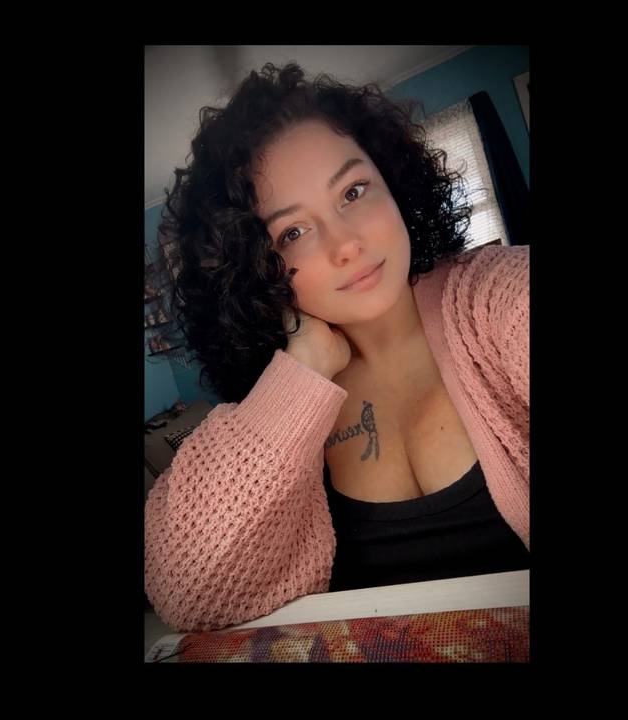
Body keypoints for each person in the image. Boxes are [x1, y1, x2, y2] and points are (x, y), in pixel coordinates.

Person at [145, 62, 529, 632]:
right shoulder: (276, 403)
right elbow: (185, 595)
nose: (346, 244)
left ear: (391, 181)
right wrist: (302, 372)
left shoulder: (493, 298)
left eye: (353, 191)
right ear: (255, 268)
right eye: (292, 233)